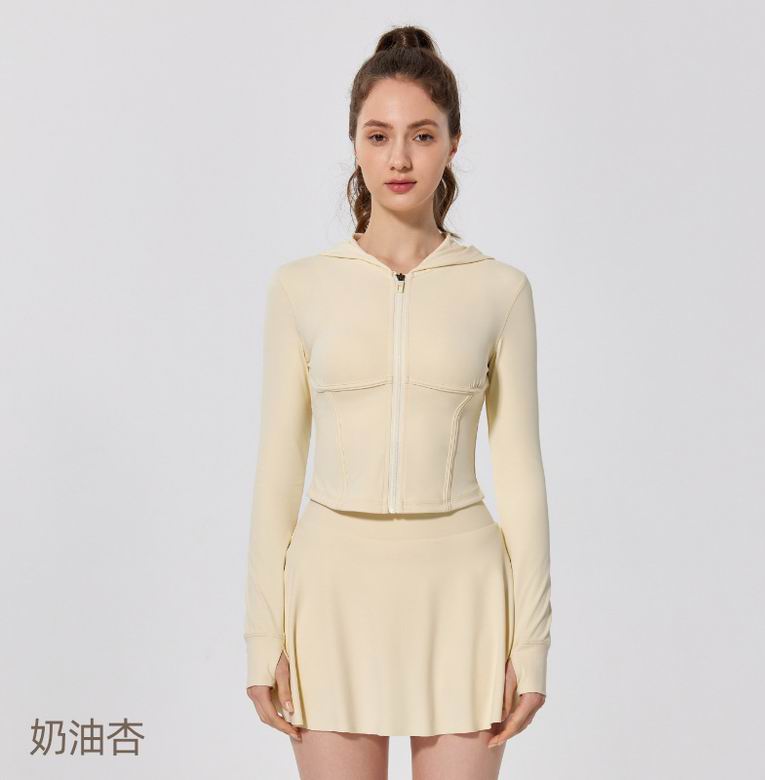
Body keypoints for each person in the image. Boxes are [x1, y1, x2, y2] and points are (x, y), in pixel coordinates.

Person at [244, 24, 552, 780]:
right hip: (331, 592)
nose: (400, 159)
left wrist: (532, 645)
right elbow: (278, 472)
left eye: (422, 135)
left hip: (463, 595)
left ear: (453, 144)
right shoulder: (300, 288)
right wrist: (262, 637)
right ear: (354, 144)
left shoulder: (500, 290)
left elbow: (522, 478)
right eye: (378, 136)